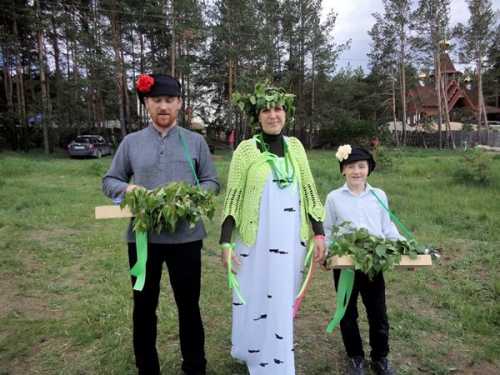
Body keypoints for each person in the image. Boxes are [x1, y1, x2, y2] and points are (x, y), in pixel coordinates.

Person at [102, 73, 219, 375]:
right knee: (143, 309)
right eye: (156, 101)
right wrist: (127, 189)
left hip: (186, 239)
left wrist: (193, 197)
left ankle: (195, 367)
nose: (163, 106)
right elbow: (110, 180)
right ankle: (147, 369)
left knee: (189, 308)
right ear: (146, 104)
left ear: (179, 104)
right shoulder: (131, 143)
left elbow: (211, 181)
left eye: (169, 100)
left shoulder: (196, 142)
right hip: (143, 240)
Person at [219, 82, 326, 375]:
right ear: (257, 116)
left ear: (285, 113)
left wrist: (319, 231)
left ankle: (276, 356)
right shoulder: (245, 150)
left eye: (278, 108)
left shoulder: (296, 148)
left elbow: (309, 190)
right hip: (254, 240)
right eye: (265, 110)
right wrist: (226, 243)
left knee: (281, 296)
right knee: (254, 294)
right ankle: (255, 351)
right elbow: (233, 198)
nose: (272, 115)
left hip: (291, 239)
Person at [324, 145, 403, 375]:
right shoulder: (334, 198)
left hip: (373, 266)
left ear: (369, 169)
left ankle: (380, 358)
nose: (356, 171)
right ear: (343, 171)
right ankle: (355, 358)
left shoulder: (379, 195)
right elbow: (328, 231)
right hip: (345, 265)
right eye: (351, 167)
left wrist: (402, 246)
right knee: (347, 314)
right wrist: (328, 253)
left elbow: (387, 227)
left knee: (378, 312)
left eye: (361, 166)